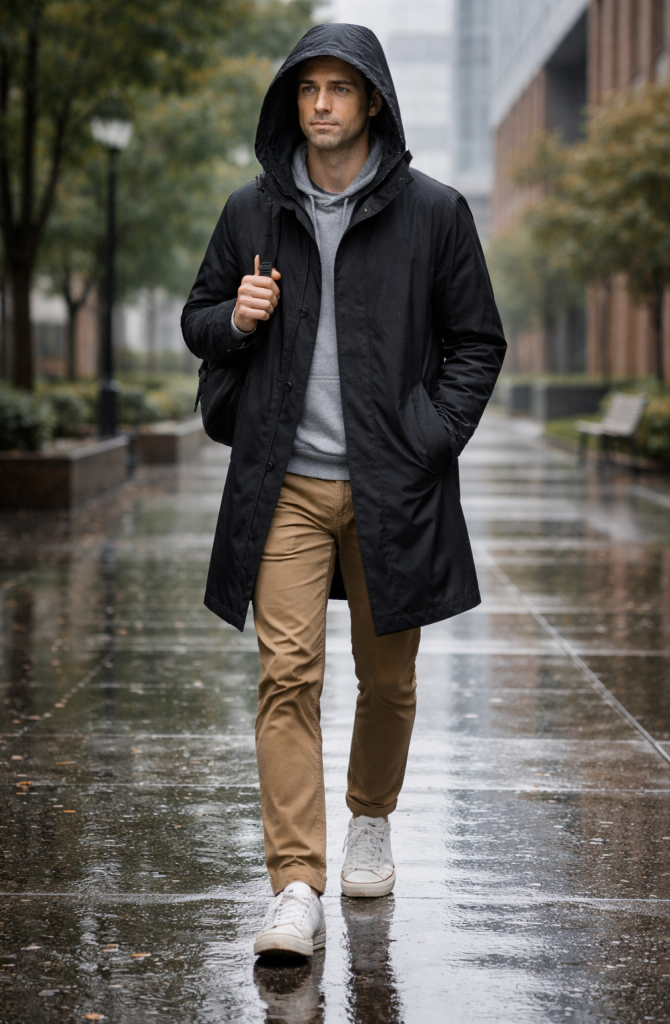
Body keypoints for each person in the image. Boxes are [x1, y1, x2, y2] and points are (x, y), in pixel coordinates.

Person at [182, 23, 506, 958]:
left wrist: (428, 437)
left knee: (389, 679)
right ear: (292, 101)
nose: (320, 103)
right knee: (286, 676)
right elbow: (197, 318)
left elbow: (476, 342)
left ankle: (370, 816)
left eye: (339, 88)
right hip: (282, 484)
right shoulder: (251, 211)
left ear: (372, 102)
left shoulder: (435, 213)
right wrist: (232, 320)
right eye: (307, 88)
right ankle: (293, 883)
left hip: (390, 490)